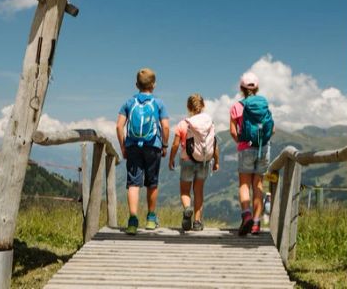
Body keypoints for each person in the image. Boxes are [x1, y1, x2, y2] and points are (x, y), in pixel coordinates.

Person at [116, 68, 170, 235]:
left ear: (136, 84)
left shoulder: (128, 103)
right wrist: (165, 145)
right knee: (152, 183)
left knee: (133, 183)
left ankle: (132, 221)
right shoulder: (159, 103)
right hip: (153, 145)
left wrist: (123, 146)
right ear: (153, 85)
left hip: (133, 147)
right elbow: (166, 126)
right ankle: (151, 219)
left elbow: (119, 126)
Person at [229, 72, 274, 236]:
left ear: (241, 88)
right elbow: (272, 129)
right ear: (257, 88)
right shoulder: (263, 105)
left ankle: (246, 214)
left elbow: (233, 132)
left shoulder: (236, 107)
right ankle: (256, 223)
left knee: (244, 184)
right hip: (263, 147)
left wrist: (241, 142)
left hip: (245, 148)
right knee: (258, 186)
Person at [169, 93, 219, 231]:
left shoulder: (183, 124)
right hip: (204, 161)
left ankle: (187, 209)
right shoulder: (210, 123)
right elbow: (214, 144)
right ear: (203, 106)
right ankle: (197, 222)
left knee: (185, 191)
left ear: (188, 107)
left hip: (187, 160)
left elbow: (175, 144)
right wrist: (216, 161)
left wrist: (171, 158)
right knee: (199, 191)